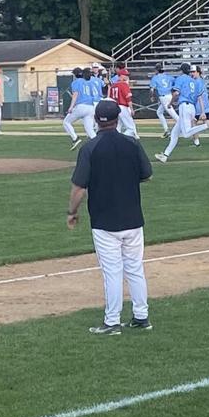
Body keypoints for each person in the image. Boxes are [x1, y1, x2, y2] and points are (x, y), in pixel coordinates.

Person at [67, 100, 154, 335]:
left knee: (112, 272)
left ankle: (112, 321)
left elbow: (79, 188)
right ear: (118, 119)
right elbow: (147, 175)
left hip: (104, 220)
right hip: (133, 217)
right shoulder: (132, 143)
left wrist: (72, 212)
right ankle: (141, 316)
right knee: (135, 269)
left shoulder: (90, 148)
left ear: (96, 120)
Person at [155, 63, 209, 163]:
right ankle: (165, 155)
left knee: (186, 133)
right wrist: (202, 111)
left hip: (185, 106)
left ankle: (207, 125)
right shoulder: (193, 81)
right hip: (192, 107)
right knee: (174, 133)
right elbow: (199, 97)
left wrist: (170, 103)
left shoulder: (181, 78)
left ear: (182, 71)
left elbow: (176, 93)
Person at [63, 68, 99, 150]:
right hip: (91, 107)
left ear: (75, 75)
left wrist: (71, 107)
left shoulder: (76, 82)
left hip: (81, 106)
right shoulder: (88, 82)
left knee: (66, 122)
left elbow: (76, 94)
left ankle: (75, 138)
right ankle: (98, 145)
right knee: (90, 130)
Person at [148, 63, 178, 137]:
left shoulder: (155, 77)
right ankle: (166, 130)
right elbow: (176, 82)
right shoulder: (168, 76)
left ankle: (185, 128)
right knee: (159, 112)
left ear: (157, 70)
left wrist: (151, 96)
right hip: (169, 95)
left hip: (164, 97)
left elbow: (152, 89)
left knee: (175, 116)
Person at [108, 70, 138, 139]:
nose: (127, 76)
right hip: (122, 107)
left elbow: (110, 97)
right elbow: (128, 98)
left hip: (115, 107)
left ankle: (114, 139)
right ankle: (122, 139)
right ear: (121, 75)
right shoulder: (124, 84)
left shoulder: (113, 85)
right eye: (125, 75)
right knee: (131, 128)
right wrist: (131, 109)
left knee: (118, 127)